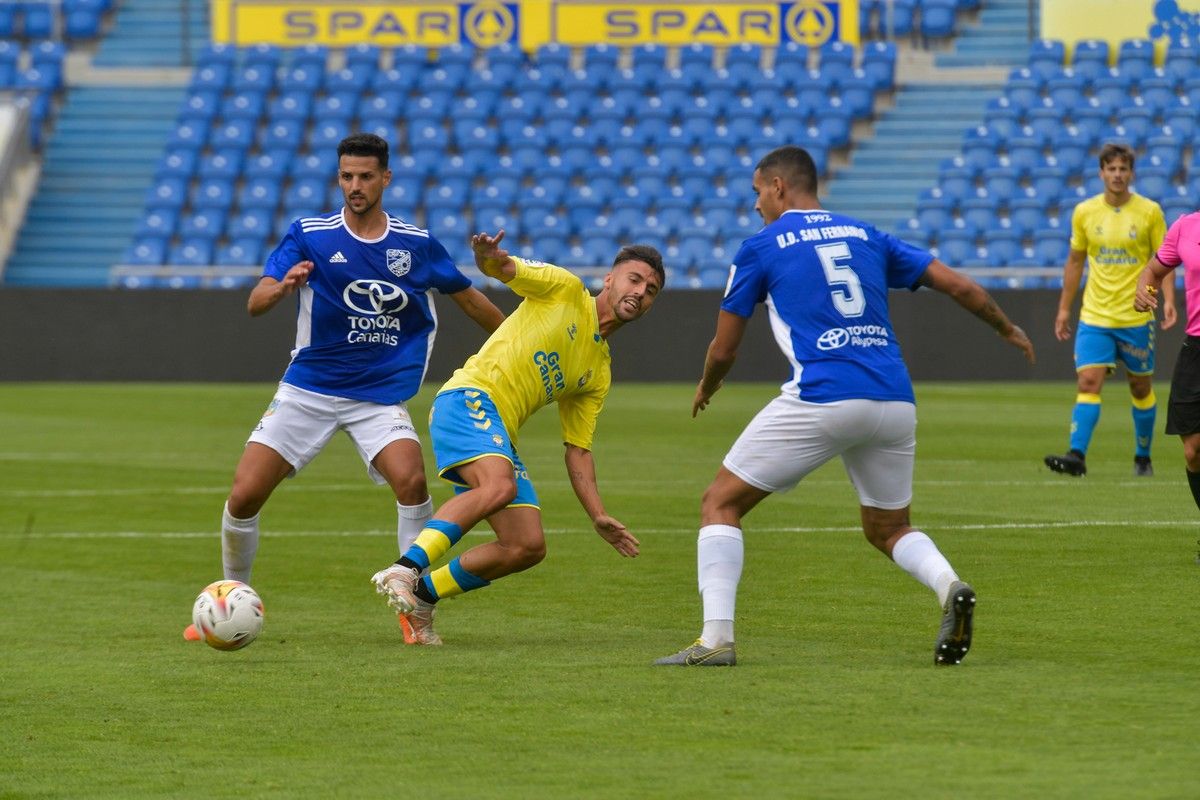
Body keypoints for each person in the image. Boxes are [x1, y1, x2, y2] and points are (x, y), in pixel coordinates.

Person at [653, 145, 1035, 667]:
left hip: (824, 395)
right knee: (889, 527)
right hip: (894, 400)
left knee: (720, 502)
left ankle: (715, 640)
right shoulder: (867, 235)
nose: (757, 205)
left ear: (779, 187)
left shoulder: (761, 246)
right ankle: (949, 587)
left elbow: (725, 347)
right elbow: (960, 286)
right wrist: (1006, 327)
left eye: (758, 192)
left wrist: (708, 384)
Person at [184, 133, 505, 642]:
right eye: (346, 177)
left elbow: (469, 299)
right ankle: (228, 599)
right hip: (308, 389)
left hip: (377, 396)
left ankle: (415, 610)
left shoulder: (415, 244)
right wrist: (283, 286)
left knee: (412, 482)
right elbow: (256, 301)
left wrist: (515, 341)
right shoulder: (310, 234)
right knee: (244, 496)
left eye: (365, 177)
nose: (354, 186)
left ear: (385, 179)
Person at [370, 230, 664, 645]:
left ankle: (422, 598)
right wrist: (488, 257)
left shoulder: (598, 370)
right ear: (610, 279)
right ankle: (406, 567)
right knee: (500, 486)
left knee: (526, 545)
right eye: (634, 279)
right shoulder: (564, 290)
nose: (641, 291)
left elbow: (578, 450)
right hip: (469, 397)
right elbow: (504, 269)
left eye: (651, 290)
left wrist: (597, 513)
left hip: (498, 431)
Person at [1044, 142, 1174, 478]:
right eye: (1111, 169)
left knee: (1140, 388)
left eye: (1122, 169)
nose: (1117, 175)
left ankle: (1142, 457)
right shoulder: (1085, 212)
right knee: (1088, 381)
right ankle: (1077, 456)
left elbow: (1165, 261)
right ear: (1101, 173)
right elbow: (1075, 261)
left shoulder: (1149, 212)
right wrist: (1063, 309)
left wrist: (1169, 301)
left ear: (1131, 173)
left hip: (1135, 315)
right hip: (1095, 315)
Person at [1133, 209, 1200, 562]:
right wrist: (1144, 291)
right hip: (1196, 347)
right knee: (1193, 449)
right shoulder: (1185, 227)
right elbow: (1154, 270)